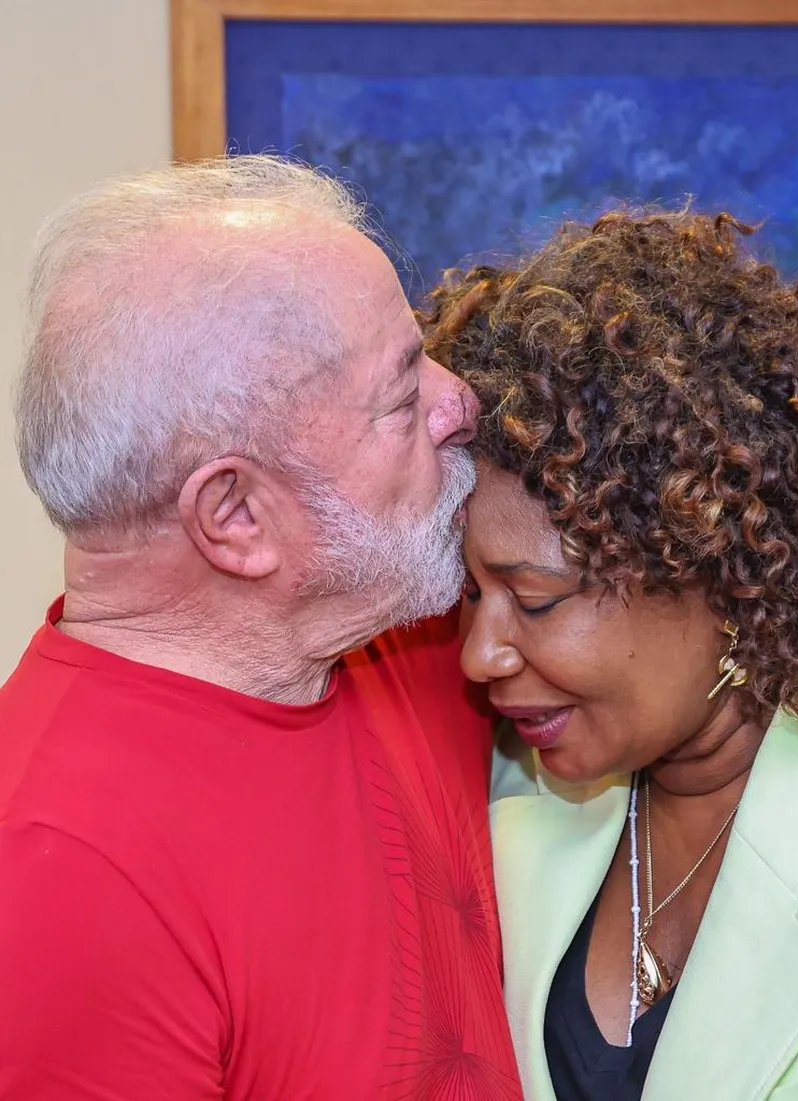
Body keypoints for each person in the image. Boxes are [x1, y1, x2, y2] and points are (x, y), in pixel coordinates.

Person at [422, 209, 798, 1101]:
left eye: (536, 600)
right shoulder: (509, 780)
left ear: (714, 561)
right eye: (467, 595)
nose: (481, 656)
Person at [0, 157, 522, 1099]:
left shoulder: (408, 621)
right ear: (237, 518)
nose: (460, 399)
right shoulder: (61, 875)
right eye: (401, 397)